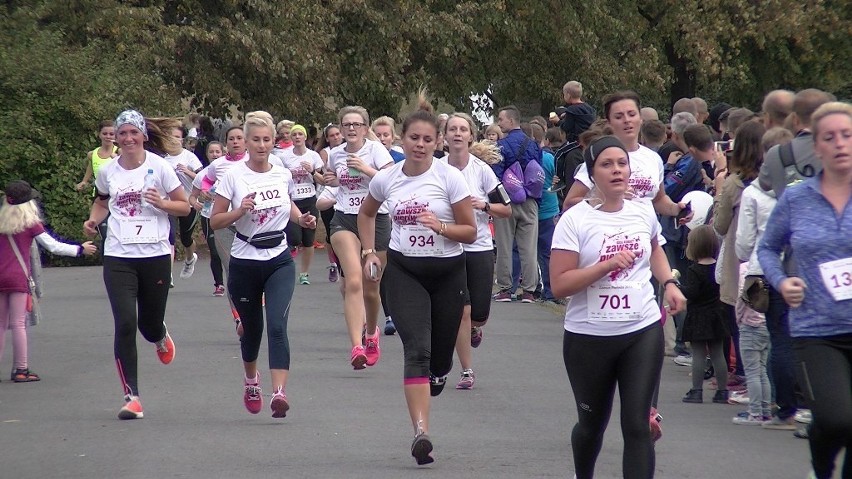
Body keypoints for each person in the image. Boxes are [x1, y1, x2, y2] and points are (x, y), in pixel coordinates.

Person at [550, 135, 686, 479]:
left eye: (622, 163)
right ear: (592, 173)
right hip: (588, 338)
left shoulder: (641, 210)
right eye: (606, 165)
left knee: (639, 426)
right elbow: (559, 285)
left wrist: (668, 282)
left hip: (639, 331)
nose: (616, 170)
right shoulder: (575, 220)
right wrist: (604, 266)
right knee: (591, 426)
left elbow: (654, 248)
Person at [357, 100, 476, 465]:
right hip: (405, 272)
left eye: (427, 139)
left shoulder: (449, 177)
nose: (420, 145)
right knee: (417, 351)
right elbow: (366, 212)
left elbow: (470, 231)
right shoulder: (387, 176)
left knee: (439, 359)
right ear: (401, 139)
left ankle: (440, 374)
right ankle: (420, 433)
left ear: (436, 142)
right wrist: (369, 252)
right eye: (413, 138)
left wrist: (440, 226)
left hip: (448, 272)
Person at [758, 102, 852, 479]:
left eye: (847, 135)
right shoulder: (797, 198)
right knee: (839, 419)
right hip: (817, 331)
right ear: (817, 147)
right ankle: (821, 467)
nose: (840, 144)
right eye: (830, 137)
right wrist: (782, 281)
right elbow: (766, 248)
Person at [83, 110, 190, 419]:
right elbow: (102, 201)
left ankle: (158, 335)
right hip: (118, 254)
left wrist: (163, 204)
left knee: (148, 324)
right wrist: (93, 219)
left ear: (143, 135)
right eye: (122, 133)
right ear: (115, 137)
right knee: (126, 322)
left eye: (133, 132)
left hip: (155, 255)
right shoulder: (108, 172)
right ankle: (132, 397)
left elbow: (184, 207)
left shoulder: (161, 168)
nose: (128, 138)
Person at [210, 111, 316, 418]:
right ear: (245, 142)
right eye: (254, 139)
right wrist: (238, 211)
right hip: (245, 261)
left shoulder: (281, 172)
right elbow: (216, 221)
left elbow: (288, 201)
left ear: (273, 141)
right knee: (252, 330)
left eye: (266, 139)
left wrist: (300, 218)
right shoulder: (233, 176)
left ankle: (279, 392)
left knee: (278, 324)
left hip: (279, 260)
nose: (261, 145)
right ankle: (251, 380)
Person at [755, 88, 834, 431]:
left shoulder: (778, 153)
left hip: (796, 256)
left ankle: (793, 405)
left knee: (789, 338)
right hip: (836, 257)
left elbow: (766, 185)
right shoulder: (838, 153)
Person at [1, 181, 96, 382]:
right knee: (18, 324)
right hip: (18, 277)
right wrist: (79, 249)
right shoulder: (30, 224)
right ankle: (21, 369)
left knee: (0, 325)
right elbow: (53, 246)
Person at [323, 105, 394, 368]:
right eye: (346, 124)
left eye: (356, 124)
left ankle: (372, 332)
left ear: (365, 128)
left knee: (371, 284)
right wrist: (330, 180)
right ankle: (356, 346)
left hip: (376, 219)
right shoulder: (334, 154)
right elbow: (332, 180)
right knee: (353, 279)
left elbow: (391, 182)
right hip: (344, 218)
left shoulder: (376, 151)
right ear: (340, 129)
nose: (351, 129)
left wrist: (365, 168)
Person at [444, 114, 511, 389]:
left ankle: (475, 327)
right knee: (462, 311)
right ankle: (466, 370)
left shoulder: (482, 170)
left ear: (471, 136)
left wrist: (483, 205)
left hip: (480, 246)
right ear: (444, 137)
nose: (458, 134)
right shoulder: (436, 168)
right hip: (449, 247)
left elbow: (506, 210)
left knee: (478, 313)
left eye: (463, 130)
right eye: (452, 130)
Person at [563, 91, 688, 221]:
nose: (627, 120)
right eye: (619, 116)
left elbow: (658, 200)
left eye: (632, 114)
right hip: (609, 234)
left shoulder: (653, 158)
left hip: (646, 235)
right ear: (609, 122)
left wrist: (677, 209)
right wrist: (608, 199)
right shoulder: (601, 158)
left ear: (640, 119)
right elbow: (569, 203)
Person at [713, 121, 767, 388]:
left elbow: (720, 225)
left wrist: (717, 188)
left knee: (739, 318)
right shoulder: (774, 180)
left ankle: (746, 374)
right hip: (770, 257)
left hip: (740, 258)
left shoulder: (735, 184)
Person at [202, 125, 251, 334]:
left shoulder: (254, 162)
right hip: (224, 223)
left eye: (240, 138)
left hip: (250, 223)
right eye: (231, 139)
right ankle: (239, 317)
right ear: (226, 144)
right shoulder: (218, 165)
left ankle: (253, 303)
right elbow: (204, 180)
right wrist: (206, 193)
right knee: (232, 268)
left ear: (246, 141)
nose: (236, 142)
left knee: (251, 269)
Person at [491, 105, 542, 303]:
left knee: (504, 245)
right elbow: (536, 172)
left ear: (511, 121)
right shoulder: (533, 144)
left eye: (501, 119)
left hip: (508, 201)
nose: (499, 122)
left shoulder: (501, 146)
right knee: (529, 247)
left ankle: (505, 288)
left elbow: (496, 175)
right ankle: (529, 290)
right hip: (530, 200)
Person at [679, 225, 730, 405]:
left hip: (698, 316)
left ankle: (696, 390)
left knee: (699, 354)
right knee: (718, 354)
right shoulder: (719, 268)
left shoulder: (694, 270)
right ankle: (723, 391)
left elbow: (692, 293)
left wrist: (677, 286)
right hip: (717, 314)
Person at [279, 124, 324, 285]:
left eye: (300, 134)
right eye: (294, 135)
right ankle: (286, 265)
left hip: (310, 199)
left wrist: (312, 171)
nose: (297, 137)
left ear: (305, 137)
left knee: (308, 240)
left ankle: (304, 273)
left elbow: (323, 180)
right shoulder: (284, 157)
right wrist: (288, 174)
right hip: (293, 201)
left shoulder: (313, 156)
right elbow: (279, 178)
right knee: (294, 237)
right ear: (291, 138)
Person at [160, 121, 203, 281]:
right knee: (168, 237)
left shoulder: (189, 156)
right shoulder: (161, 157)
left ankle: (190, 258)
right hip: (168, 203)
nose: (174, 139)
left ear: (182, 140)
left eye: (177, 137)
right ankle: (168, 274)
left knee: (185, 238)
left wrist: (187, 172)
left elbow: (203, 179)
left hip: (188, 202)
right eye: (171, 136)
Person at [188, 141, 226, 296]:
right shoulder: (202, 175)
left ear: (222, 153)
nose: (215, 154)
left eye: (218, 151)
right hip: (209, 216)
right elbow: (192, 197)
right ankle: (219, 284)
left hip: (229, 217)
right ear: (207, 154)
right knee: (215, 252)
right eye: (211, 152)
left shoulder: (230, 171)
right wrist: (196, 203)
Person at [317, 124, 344, 282]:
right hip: (329, 192)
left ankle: (343, 262)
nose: (336, 137)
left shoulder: (351, 151)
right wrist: (330, 182)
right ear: (327, 138)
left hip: (345, 192)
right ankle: (334, 263)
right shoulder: (325, 153)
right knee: (331, 234)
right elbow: (323, 176)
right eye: (332, 135)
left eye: (337, 134)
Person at [76, 121, 118, 194]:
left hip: (116, 194)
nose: (108, 136)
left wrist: (118, 159)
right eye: (105, 134)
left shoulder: (119, 152)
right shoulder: (92, 154)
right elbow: (91, 166)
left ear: (115, 136)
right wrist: (84, 181)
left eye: (111, 134)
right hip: (98, 194)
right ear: (99, 135)